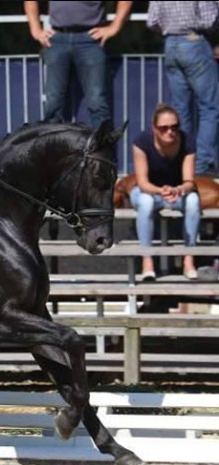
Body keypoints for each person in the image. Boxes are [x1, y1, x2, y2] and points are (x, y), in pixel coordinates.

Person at [23, 1, 133, 129]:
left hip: (91, 38)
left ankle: (100, 147)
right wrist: (35, 29)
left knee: (97, 102)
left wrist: (115, 27)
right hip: (57, 38)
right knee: (53, 102)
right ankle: (54, 146)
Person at [129, 103, 201, 280]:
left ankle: (189, 259)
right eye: (164, 128)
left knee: (193, 201)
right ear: (154, 129)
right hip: (148, 192)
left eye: (175, 127)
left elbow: (189, 181)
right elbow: (143, 183)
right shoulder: (142, 142)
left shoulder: (187, 141)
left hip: (177, 193)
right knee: (146, 202)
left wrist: (178, 189)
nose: (170, 132)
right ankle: (147, 261)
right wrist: (161, 190)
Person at [147, 1, 219, 175]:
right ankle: (202, 164)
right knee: (210, 107)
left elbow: (152, 21)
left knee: (181, 109)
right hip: (194, 41)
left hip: (170, 44)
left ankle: (183, 162)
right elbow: (210, 20)